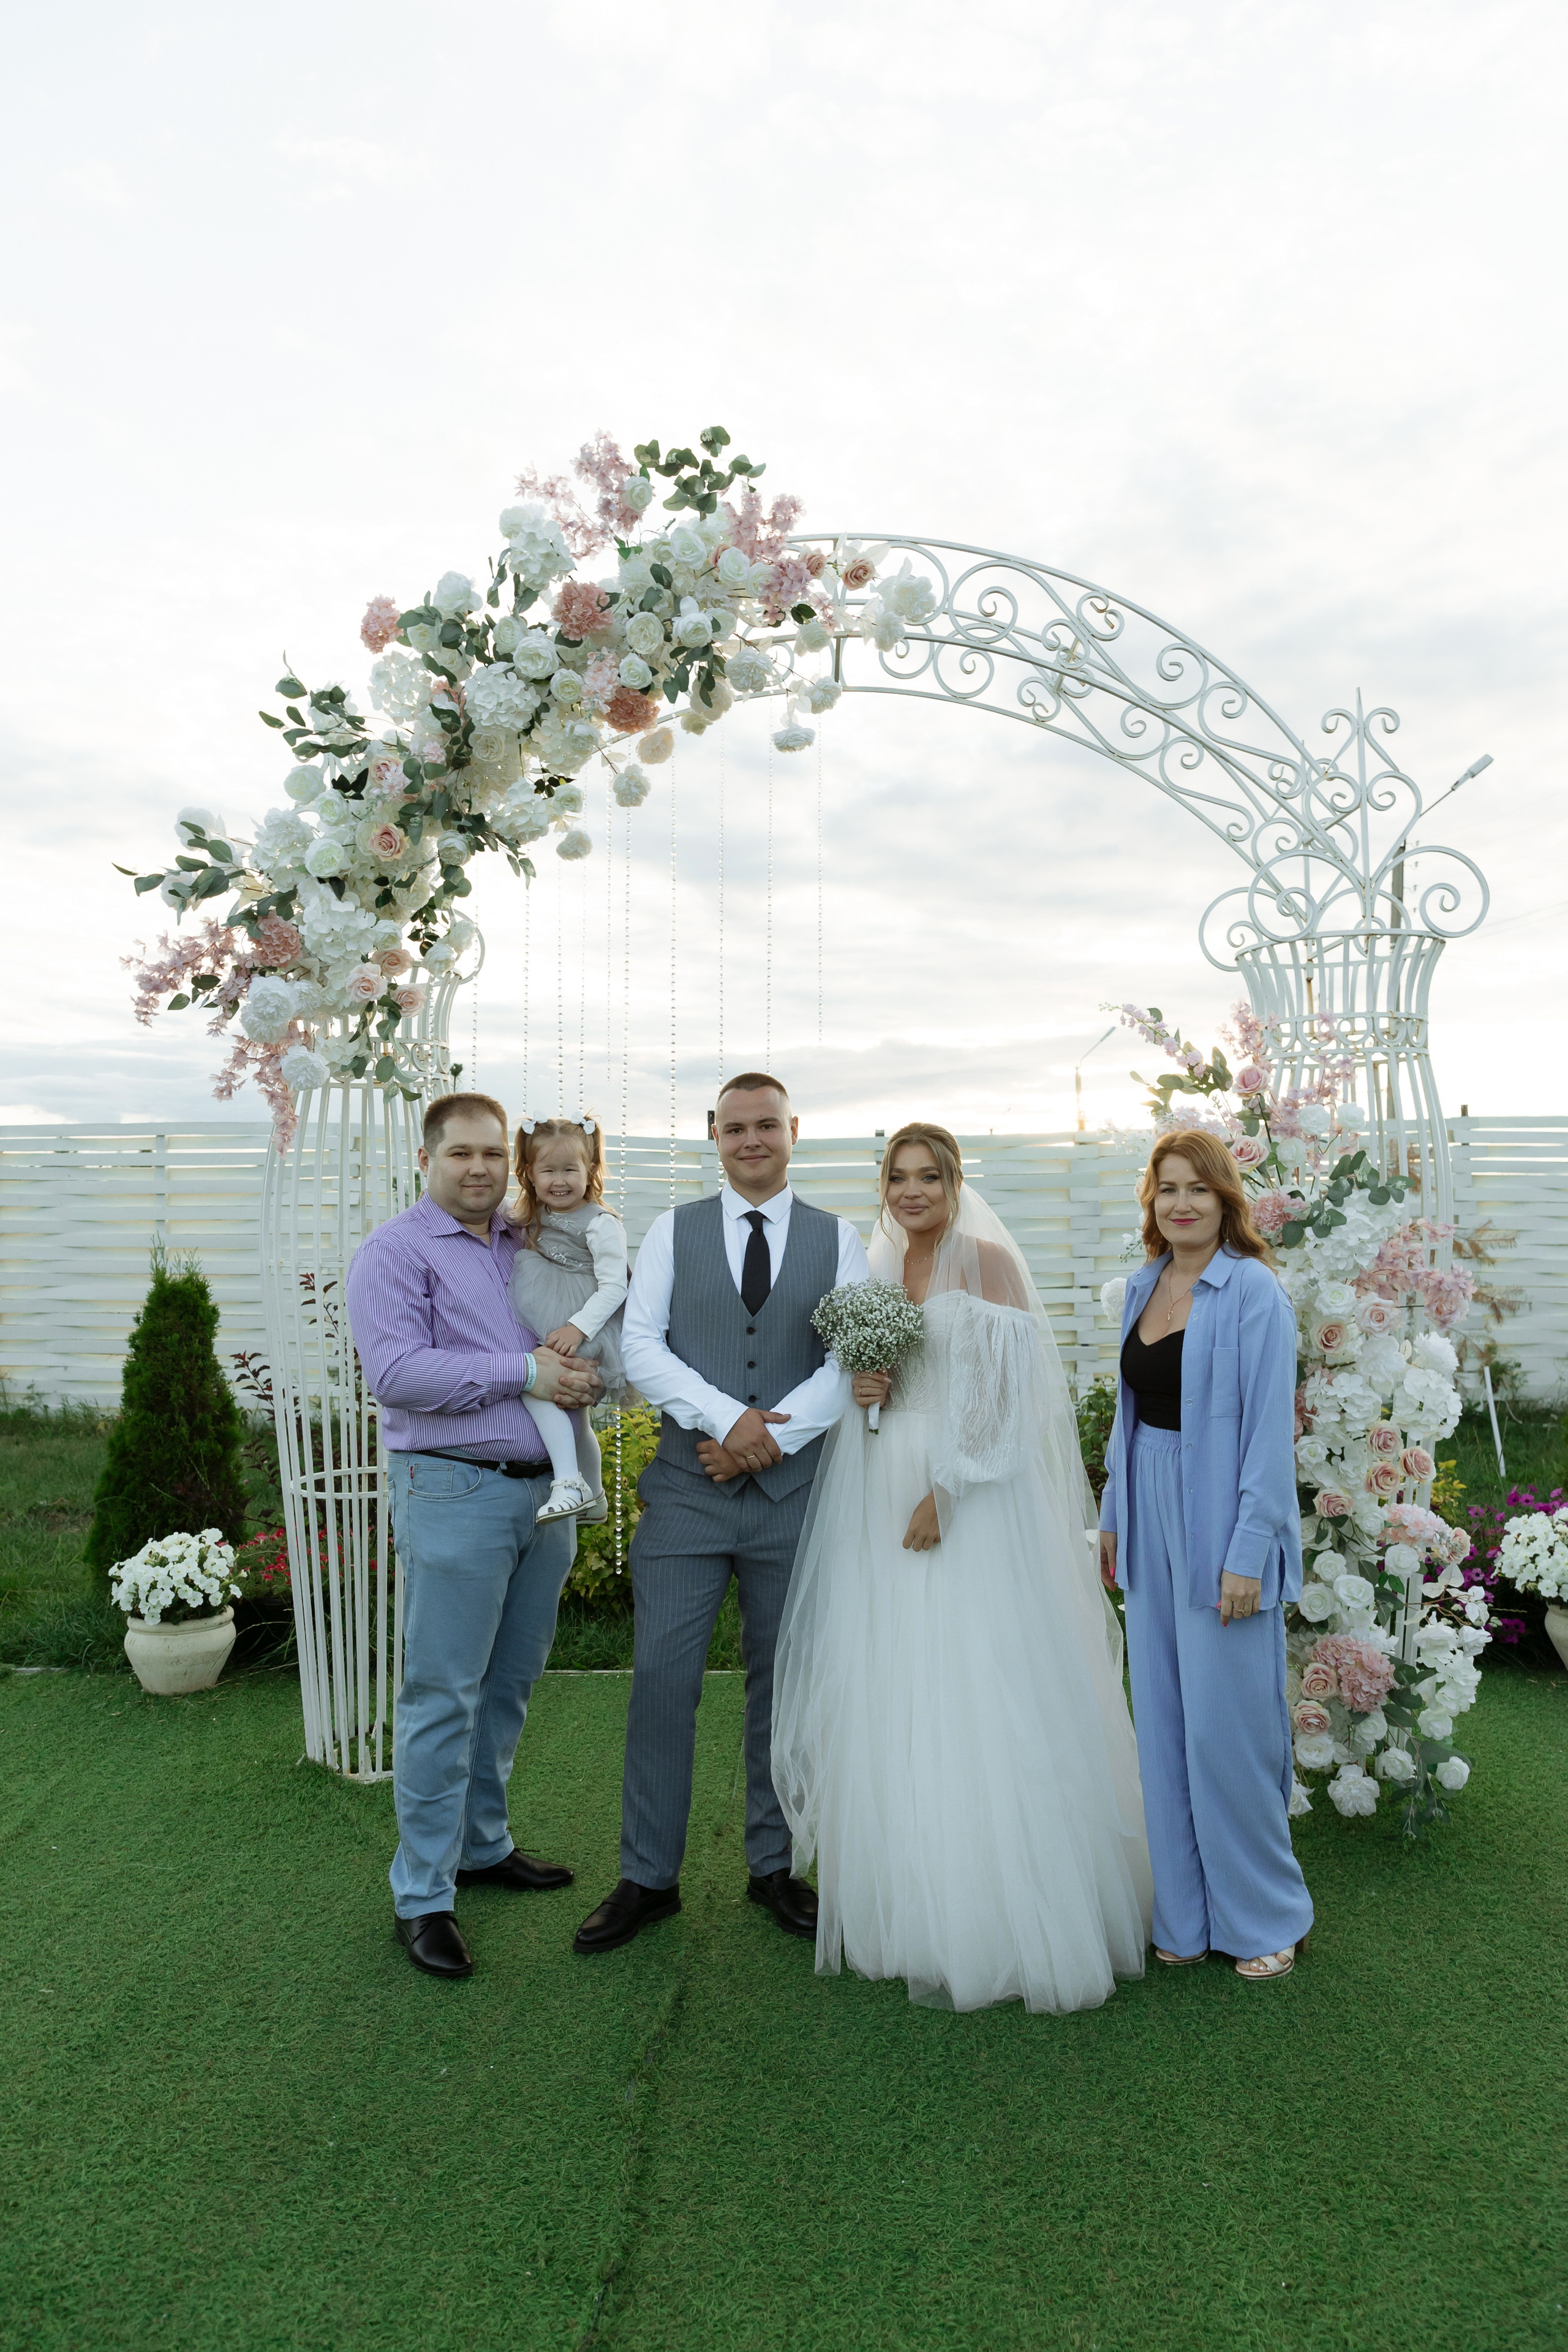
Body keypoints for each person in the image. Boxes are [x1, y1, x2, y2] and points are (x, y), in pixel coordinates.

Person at [772, 1123, 1152, 2013]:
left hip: (968, 1498)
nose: (912, 1193)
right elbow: (879, 1381)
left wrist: (947, 1493)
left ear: (954, 1181)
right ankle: (912, 1906)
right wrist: (868, 1387)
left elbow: (1013, 1404)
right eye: (898, 1178)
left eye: (929, 1177)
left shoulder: (988, 1263)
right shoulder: (871, 1271)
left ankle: (1007, 1914)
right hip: (879, 1485)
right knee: (900, 1685)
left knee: (980, 1682)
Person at [573, 1073, 869, 1955]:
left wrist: (766, 1441)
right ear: (713, 1134)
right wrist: (729, 1423)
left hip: (791, 1500)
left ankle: (774, 1866)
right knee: (662, 1681)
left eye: (766, 1126)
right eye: (735, 1127)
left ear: (793, 1131)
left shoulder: (838, 1238)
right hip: (687, 1496)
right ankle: (647, 1877)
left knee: (785, 1685)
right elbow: (641, 1345)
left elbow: (848, 1353)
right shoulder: (672, 1230)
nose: (751, 1140)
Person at [345, 1091, 602, 1981]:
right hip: (455, 1491)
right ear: (428, 1160)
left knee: (508, 1686)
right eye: (462, 1154)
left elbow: (579, 1342)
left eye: (495, 1153)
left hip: (548, 1496)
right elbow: (400, 1373)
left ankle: (483, 1845)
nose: (481, 1168)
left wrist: (587, 1376)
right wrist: (529, 1370)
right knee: (442, 1694)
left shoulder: (533, 1243)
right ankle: (422, 1894)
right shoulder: (395, 1251)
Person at [1099, 1128, 1313, 1983]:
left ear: (1228, 1200)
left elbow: (1268, 1438)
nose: (1180, 1203)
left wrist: (1246, 1554)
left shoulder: (1254, 1292)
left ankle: (1264, 1917)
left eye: (1198, 1188)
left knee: (1230, 1730)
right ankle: (1186, 1916)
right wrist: (1113, 1513)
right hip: (1147, 1515)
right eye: (1166, 1190)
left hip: (1223, 1522)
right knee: (1164, 1724)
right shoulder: (1143, 1285)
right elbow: (1126, 1413)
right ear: (1151, 1205)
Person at [507, 1113, 630, 1528]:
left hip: (584, 1319)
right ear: (528, 1173)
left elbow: (616, 1287)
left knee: (536, 1388)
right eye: (548, 1170)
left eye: (570, 1170)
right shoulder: (529, 1212)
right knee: (573, 1412)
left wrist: (578, 1327)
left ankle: (568, 1480)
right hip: (548, 1307)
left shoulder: (600, 1224)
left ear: (590, 1170)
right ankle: (593, 1497)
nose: (559, 1181)